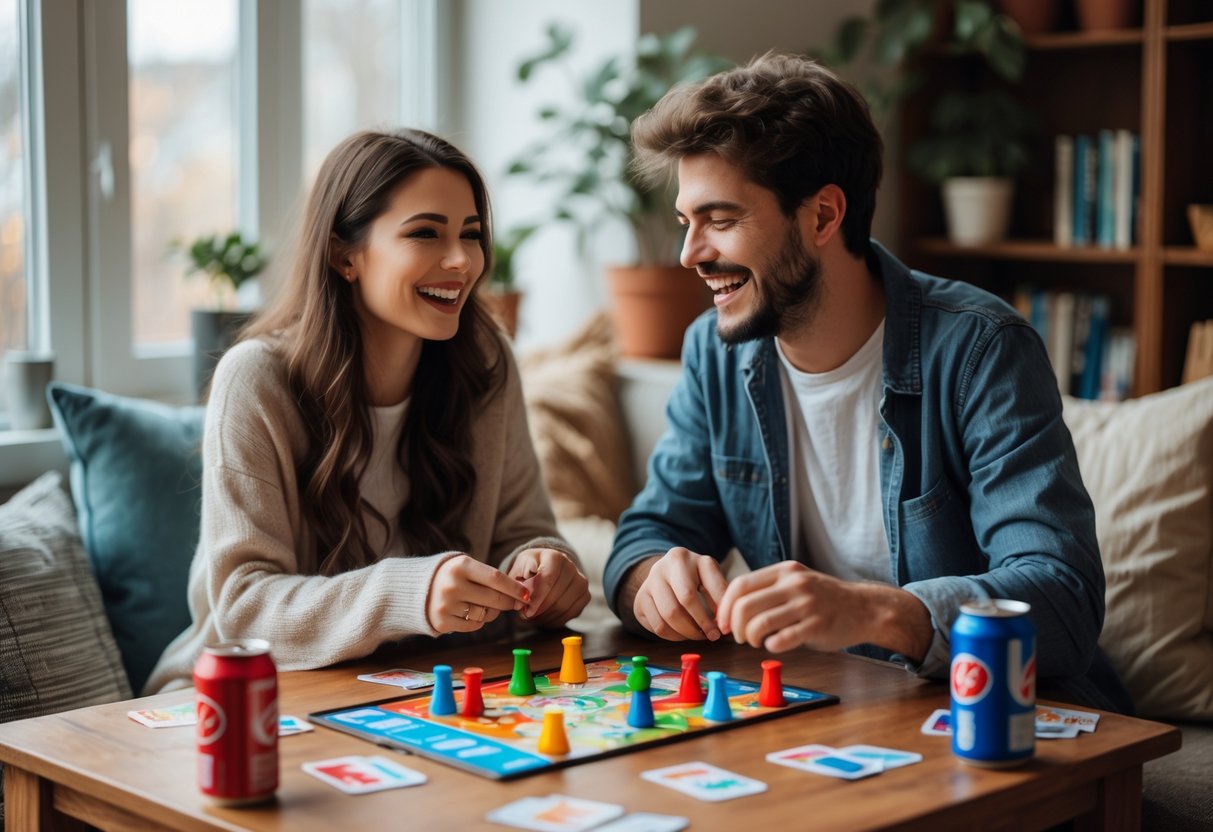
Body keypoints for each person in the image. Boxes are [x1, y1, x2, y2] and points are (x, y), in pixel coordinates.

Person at [602, 54, 1132, 713]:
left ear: (822, 216)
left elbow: (1060, 599)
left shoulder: (979, 348)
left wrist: (875, 614)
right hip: (824, 710)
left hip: (993, 716)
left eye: (720, 219)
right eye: (687, 221)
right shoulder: (713, 352)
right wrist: (654, 576)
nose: (689, 254)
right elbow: (648, 532)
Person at [147, 128, 589, 693]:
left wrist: (543, 568)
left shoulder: (485, 361)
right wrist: (411, 594)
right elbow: (244, 608)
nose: (461, 260)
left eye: (471, 234)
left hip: (422, 688)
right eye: (425, 233)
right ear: (343, 253)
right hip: (242, 698)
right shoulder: (256, 380)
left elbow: (523, 531)